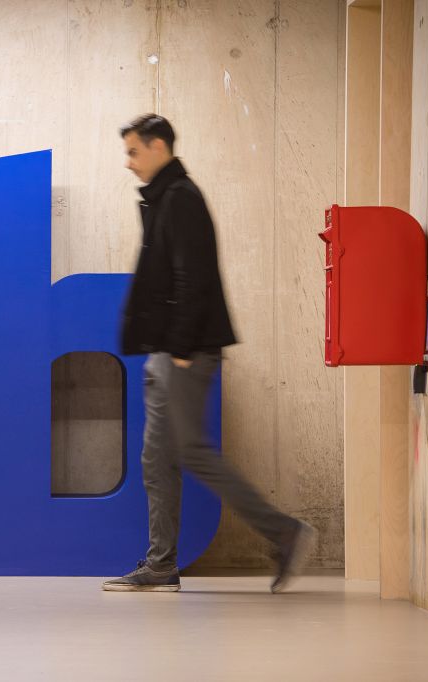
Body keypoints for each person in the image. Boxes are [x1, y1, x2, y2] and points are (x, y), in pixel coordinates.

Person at [103, 114, 315, 594]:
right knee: (156, 459)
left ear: (159, 147)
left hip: (185, 352)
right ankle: (161, 564)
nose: (129, 162)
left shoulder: (182, 198)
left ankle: (285, 531)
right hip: (167, 350)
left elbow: (194, 277)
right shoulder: (164, 199)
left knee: (193, 453)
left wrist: (179, 347)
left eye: (134, 151)